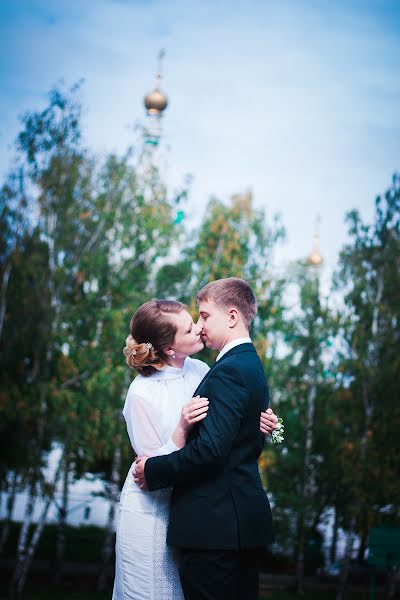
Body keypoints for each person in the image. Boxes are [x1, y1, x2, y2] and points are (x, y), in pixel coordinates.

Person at [112, 297, 277, 600]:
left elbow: (224, 432)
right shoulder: (141, 395)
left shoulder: (202, 370)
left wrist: (257, 423)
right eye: (189, 329)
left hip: (196, 508)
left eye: (197, 321)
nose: (199, 329)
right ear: (169, 349)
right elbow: (146, 468)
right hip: (154, 509)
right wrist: (180, 430)